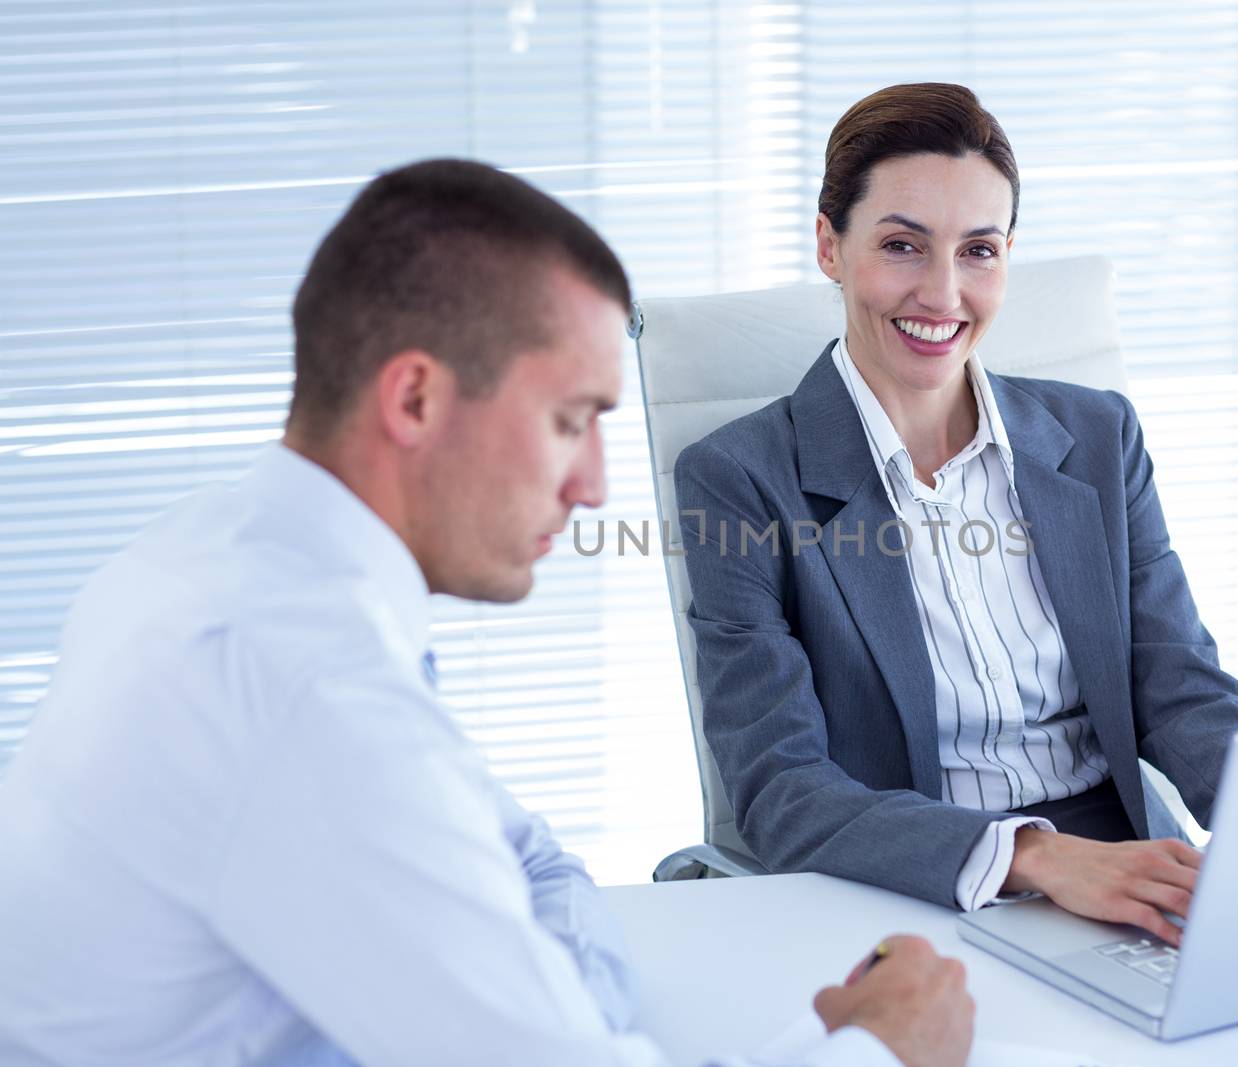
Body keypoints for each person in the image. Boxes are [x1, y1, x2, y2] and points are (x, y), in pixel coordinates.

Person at [0, 159, 973, 1067]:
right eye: (567, 420)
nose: (594, 486)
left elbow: (528, 857)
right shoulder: (306, 685)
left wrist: (553, 999)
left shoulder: (219, 554)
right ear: (416, 397)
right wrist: (881, 1048)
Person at [675, 84, 1238, 946]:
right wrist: (1038, 857)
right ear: (830, 247)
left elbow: (1179, 688)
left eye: (978, 250)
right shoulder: (741, 478)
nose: (943, 293)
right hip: (923, 890)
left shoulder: (1096, 437)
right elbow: (781, 788)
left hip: (1133, 874)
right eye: (903, 245)